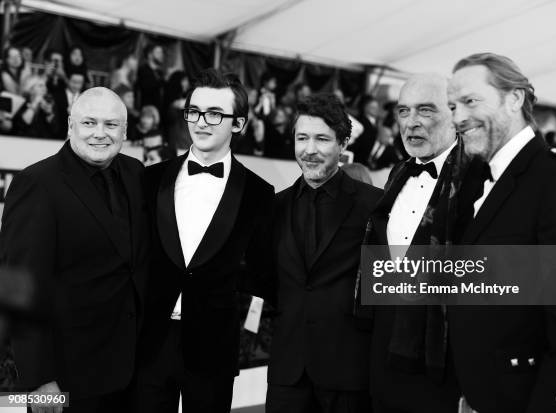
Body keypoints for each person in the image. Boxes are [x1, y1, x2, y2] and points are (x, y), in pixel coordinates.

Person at [446, 52, 556, 413]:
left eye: (470, 101)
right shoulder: (476, 180)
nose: (457, 117)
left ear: (514, 98)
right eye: (453, 106)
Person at [0, 87, 150, 412]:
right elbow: (19, 288)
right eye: (89, 123)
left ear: (125, 131)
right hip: (65, 378)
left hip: (130, 371)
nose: (100, 134)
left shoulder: (136, 173)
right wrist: (38, 380)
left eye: (111, 125)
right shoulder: (37, 183)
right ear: (70, 126)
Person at [137, 68, 275, 413]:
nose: (201, 122)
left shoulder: (259, 193)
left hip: (214, 346)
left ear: (238, 123)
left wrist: (223, 281)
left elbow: (262, 271)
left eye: (215, 113)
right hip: (150, 344)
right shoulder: (150, 180)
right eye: (194, 112)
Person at [266, 93, 382, 413]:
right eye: (302, 138)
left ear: (342, 143)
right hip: (287, 373)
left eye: (322, 139)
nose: (310, 149)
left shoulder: (374, 204)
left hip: (349, 373)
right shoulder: (275, 206)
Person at [360, 73, 469, 413]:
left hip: (442, 362)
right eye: (404, 112)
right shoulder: (397, 175)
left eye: (426, 110)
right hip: (384, 355)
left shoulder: (478, 181)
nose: (412, 123)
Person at [52, 70, 86, 139]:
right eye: (74, 82)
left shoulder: (86, 98)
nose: (76, 85)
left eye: (79, 83)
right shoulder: (57, 95)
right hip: (57, 139)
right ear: (68, 80)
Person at [348, 95, 380, 164]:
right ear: (366, 108)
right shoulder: (361, 122)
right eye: (373, 107)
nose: (377, 110)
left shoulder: (374, 123)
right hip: (357, 159)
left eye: (377, 107)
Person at [136, 44, 165, 112]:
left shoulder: (160, 72)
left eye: (162, 52)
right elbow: (147, 87)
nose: (161, 55)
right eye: (158, 52)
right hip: (147, 111)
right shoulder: (143, 70)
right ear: (150, 55)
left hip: (160, 112)